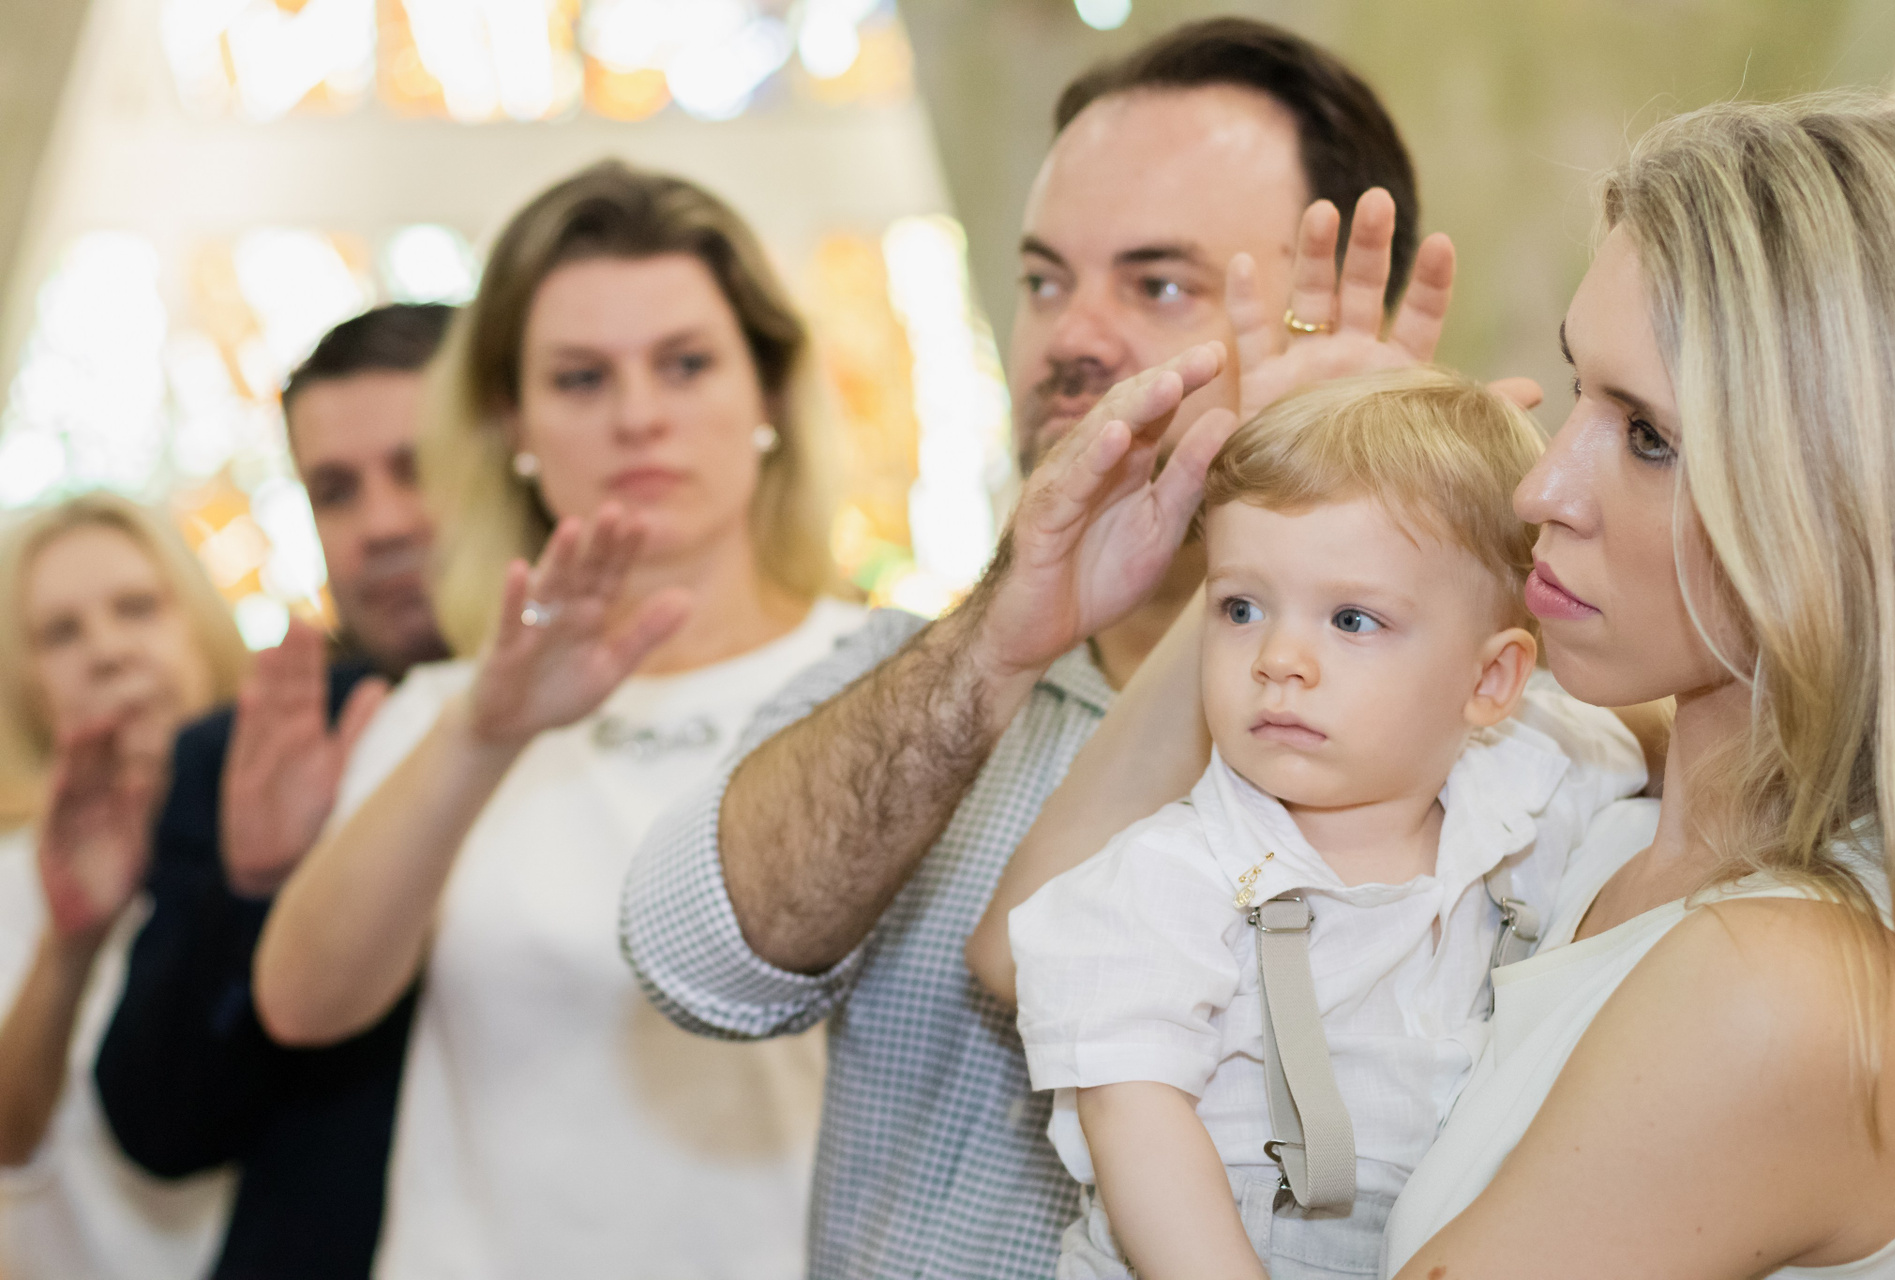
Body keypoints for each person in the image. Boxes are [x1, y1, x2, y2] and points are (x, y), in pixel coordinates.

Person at [621, 19, 1547, 1278]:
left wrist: (1302, 518)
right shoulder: (915, 672)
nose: (1072, 337)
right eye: (1046, 279)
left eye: (1158, 285)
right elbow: (694, 963)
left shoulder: (1469, 736)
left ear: (1342, 324)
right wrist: (1000, 636)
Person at [251, 161, 865, 1279]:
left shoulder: (888, 682)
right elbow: (303, 1003)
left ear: (769, 391)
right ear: (513, 422)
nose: (639, 416)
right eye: (581, 378)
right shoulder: (444, 714)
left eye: (686, 363)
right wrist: (485, 733)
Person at [1379, 93, 1895, 1278]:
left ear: (1845, 501)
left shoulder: (1782, 987)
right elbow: (1032, 945)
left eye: (1650, 437)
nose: (1542, 489)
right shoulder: (1608, 817)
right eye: (1579, 388)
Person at [1007, 369, 1643, 1279]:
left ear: (1490, 680)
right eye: (1241, 608)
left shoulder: (1537, 786)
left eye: (1351, 619)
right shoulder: (1169, 879)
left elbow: (1694, 743)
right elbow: (1135, 1125)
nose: (1279, 659)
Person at [95, 303, 454, 1280]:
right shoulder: (240, 753)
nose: (383, 524)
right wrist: (252, 892)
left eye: (420, 467)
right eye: (336, 490)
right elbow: (158, 1128)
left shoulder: (641, 715)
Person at [0, 492, 248, 1279]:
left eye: (138, 608)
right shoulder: (11, 884)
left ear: (200, 628)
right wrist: (68, 946)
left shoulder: (295, 832)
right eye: (60, 633)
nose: (107, 652)